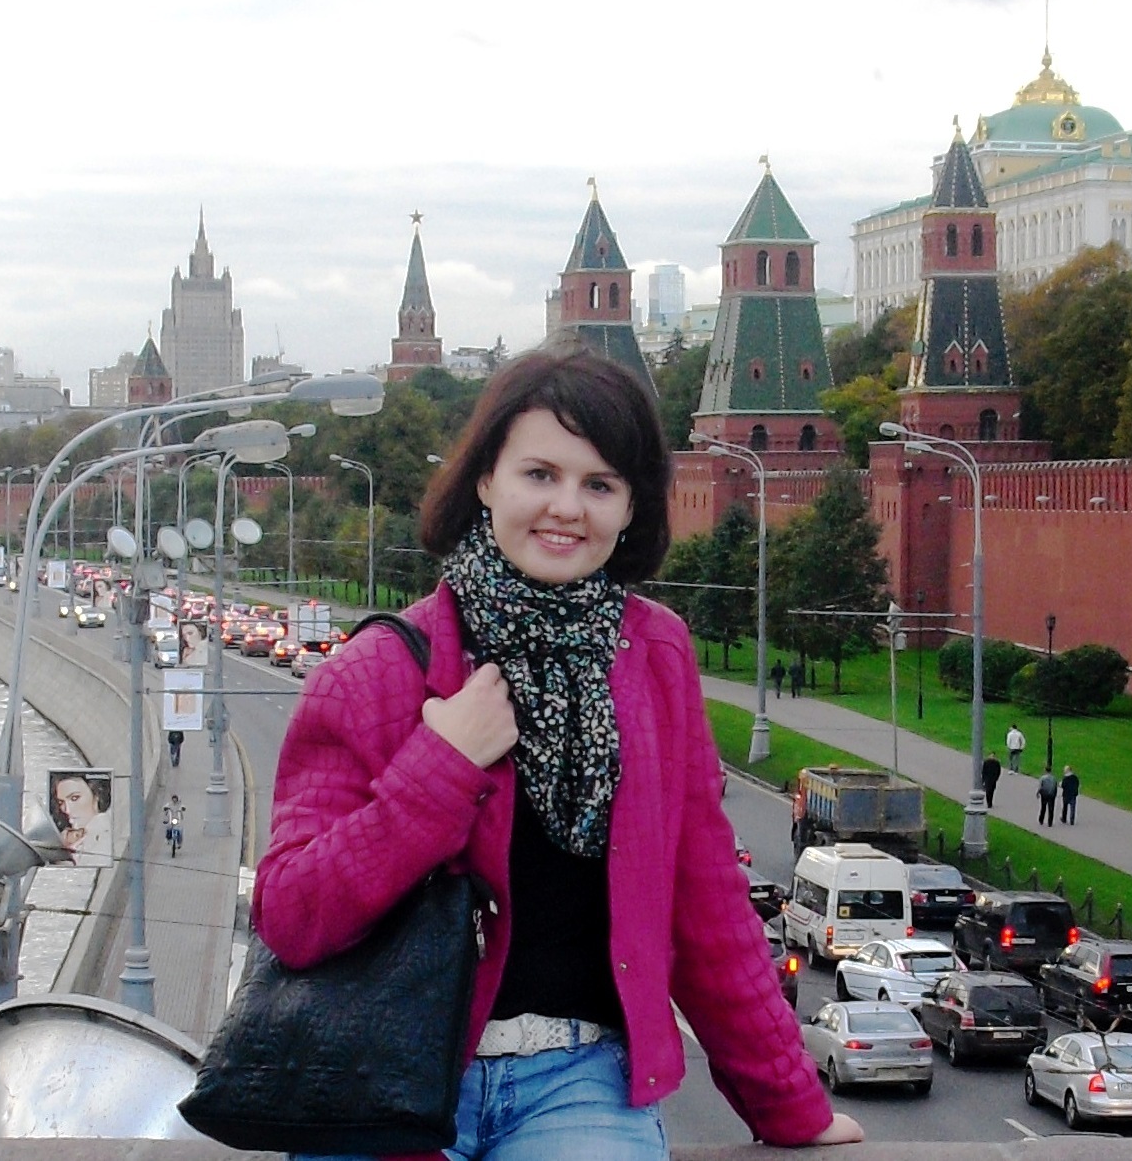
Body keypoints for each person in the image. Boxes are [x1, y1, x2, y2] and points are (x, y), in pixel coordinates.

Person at [252, 346, 862, 1158]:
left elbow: (706, 900)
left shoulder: (653, 657)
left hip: (577, 1079)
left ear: (631, 505)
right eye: (540, 473)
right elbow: (291, 916)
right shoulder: (379, 670)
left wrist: (790, 1104)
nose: (566, 508)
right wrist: (441, 765)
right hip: (381, 1072)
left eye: (599, 484)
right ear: (485, 479)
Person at [50, 771, 112, 867]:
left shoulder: (105, 835)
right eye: (61, 802)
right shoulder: (74, 837)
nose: (67, 810)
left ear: (97, 795)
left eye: (74, 798)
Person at [164, 794, 187, 858]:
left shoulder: (179, 804)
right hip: (171, 819)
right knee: (168, 828)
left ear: (177, 799)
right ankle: (167, 838)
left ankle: (179, 843)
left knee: (180, 831)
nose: (174, 800)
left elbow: (183, 807)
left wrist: (183, 808)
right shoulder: (169, 804)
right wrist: (165, 808)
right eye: (173, 799)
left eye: (175, 799)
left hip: (177, 820)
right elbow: (165, 807)